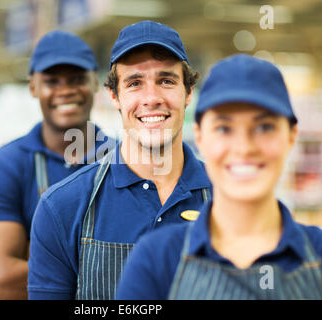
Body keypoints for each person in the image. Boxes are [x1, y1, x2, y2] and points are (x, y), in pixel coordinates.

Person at [115, 54, 322, 300]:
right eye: (224, 128)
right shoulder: (157, 259)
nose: (244, 148)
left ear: (291, 135)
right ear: (200, 136)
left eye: (264, 127)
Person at [27, 20, 212, 300]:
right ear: (114, 96)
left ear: (188, 93)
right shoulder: (62, 208)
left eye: (166, 81)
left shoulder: (234, 202)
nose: (152, 98)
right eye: (135, 83)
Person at [0, 30, 113, 300]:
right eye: (52, 81)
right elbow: (0, 284)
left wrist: (36, 259)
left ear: (96, 82)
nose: (66, 90)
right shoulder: (5, 166)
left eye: (77, 79)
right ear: (33, 87)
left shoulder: (125, 160)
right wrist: (107, 262)